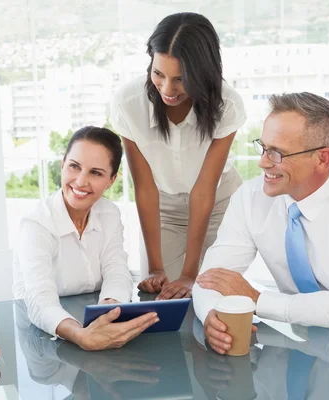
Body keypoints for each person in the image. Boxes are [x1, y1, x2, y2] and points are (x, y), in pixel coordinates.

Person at [192, 92, 329, 355]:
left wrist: (258, 300)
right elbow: (211, 278)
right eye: (262, 147)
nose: (263, 162)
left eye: (276, 153)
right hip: (307, 341)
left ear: (322, 159)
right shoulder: (250, 198)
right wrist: (211, 315)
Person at [109, 12, 246, 300]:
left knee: (211, 293)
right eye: (158, 74)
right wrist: (156, 268)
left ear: (203, 72)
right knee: (160, 293)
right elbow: (144, 189)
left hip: (218, 203)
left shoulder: (228, 103)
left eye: (181, 79)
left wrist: (190, 274)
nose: (167, 90)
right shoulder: (128, 103)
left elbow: (204, 191)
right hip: (163, 206)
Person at [13, 126, 159, 351]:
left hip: (97, 329)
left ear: (111, 180)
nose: (81, 181)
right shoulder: (37, 224)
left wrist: (110, 312)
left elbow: (117, 271)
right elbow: (39, 302)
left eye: (96, 173)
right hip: (47, 343)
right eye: (74, 166)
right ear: (63, 165)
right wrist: (82, 335)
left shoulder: (109, 213)